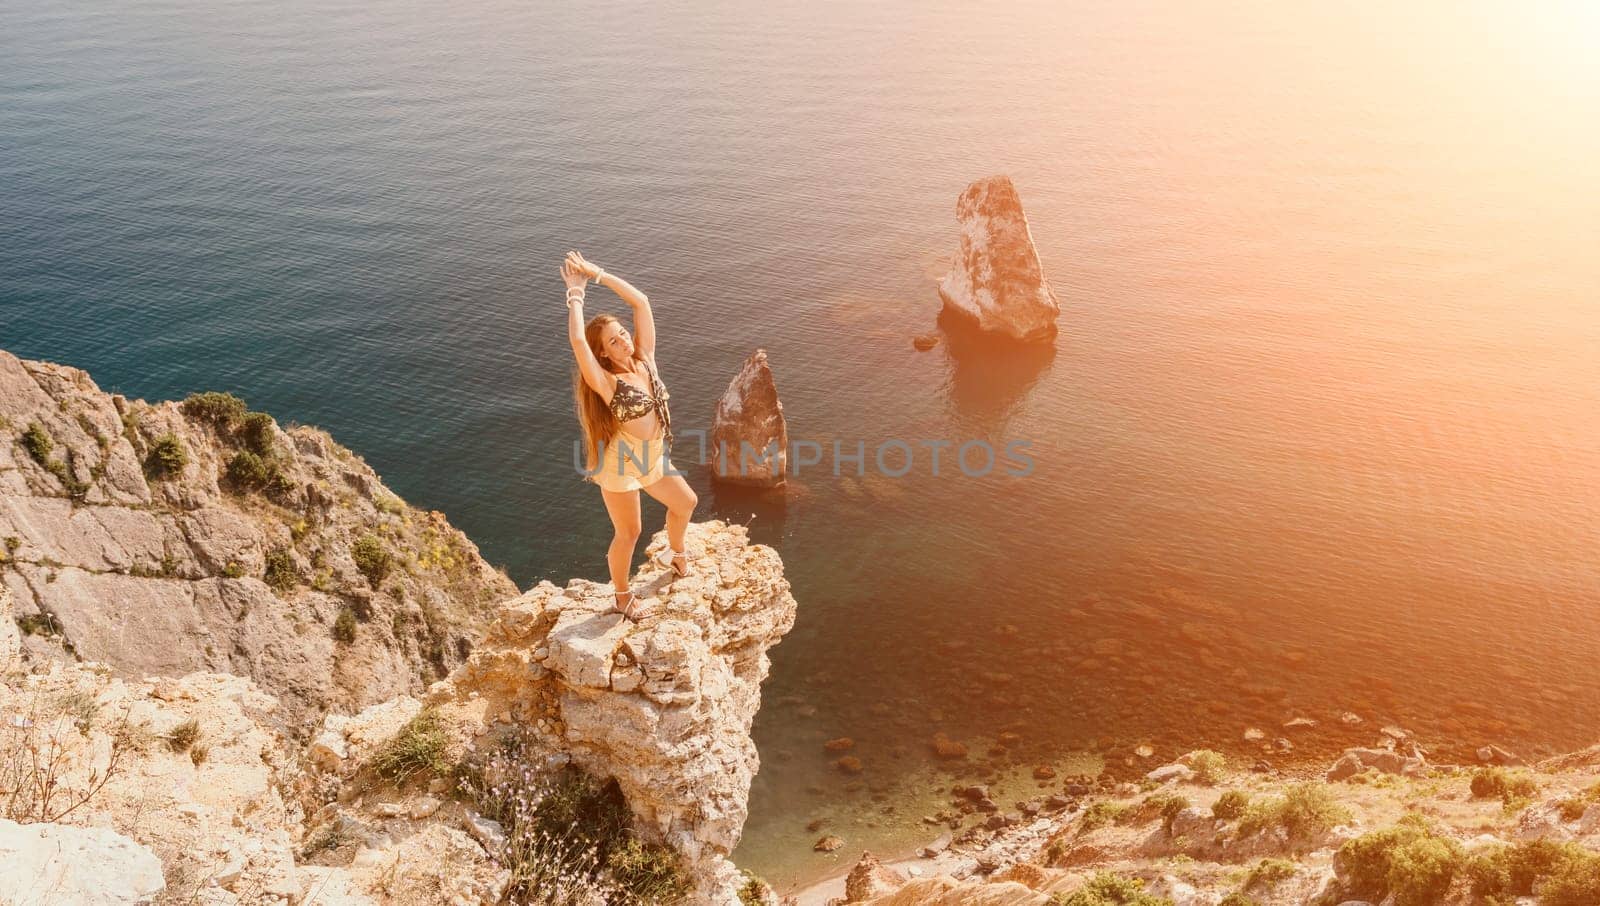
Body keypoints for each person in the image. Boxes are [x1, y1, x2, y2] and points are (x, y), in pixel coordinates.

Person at [563, 250, 698, 620]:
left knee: (685, 503)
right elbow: (578, 341)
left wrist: (597, 272)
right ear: (603, 355)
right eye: (613, 341)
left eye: (622, 333)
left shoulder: (645, 360)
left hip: (651, 455)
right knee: (630, 532)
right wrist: (576, 294)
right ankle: (621, 596)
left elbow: (641, 301)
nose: (624, 340)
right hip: (621, 464)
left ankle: (675, 552)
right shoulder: (607, 383)